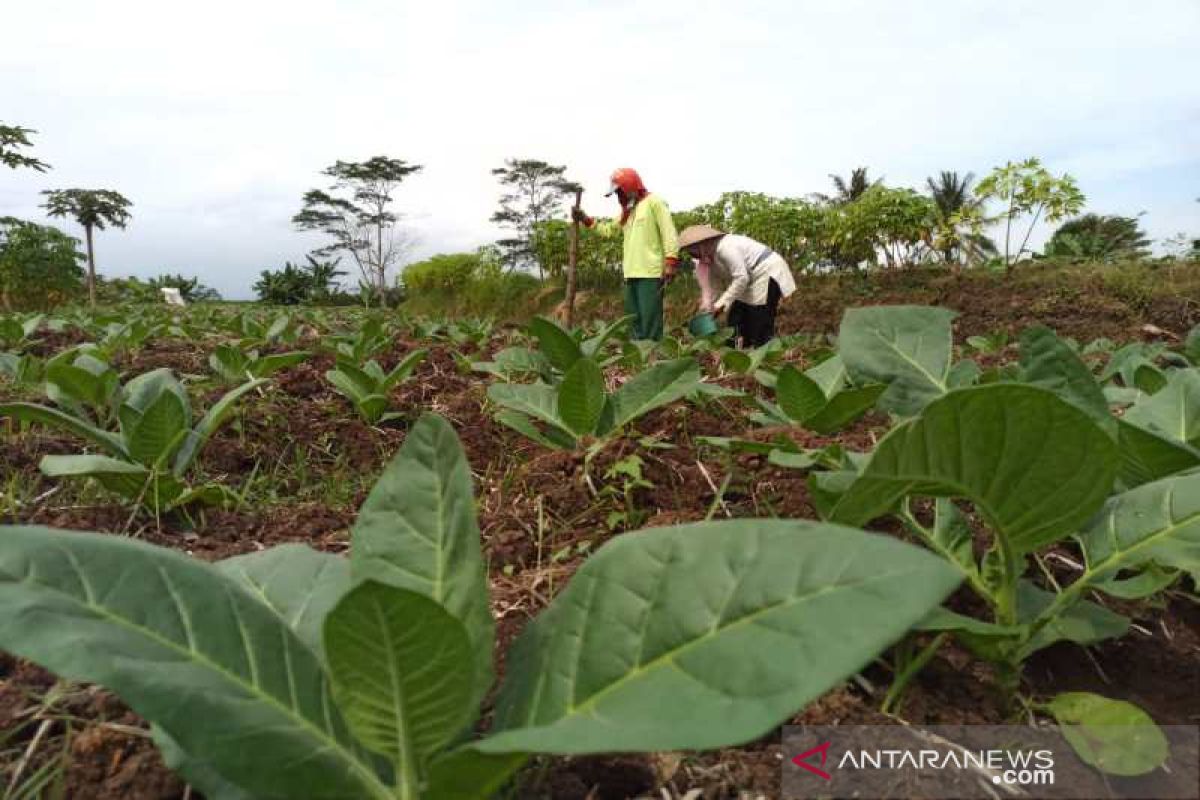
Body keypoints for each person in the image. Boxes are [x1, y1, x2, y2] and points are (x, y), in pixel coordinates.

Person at [573, 168, 679, 341]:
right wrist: (585, 219)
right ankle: (637, 359)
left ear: (629, 187)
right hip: (630, 273)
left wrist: (671, 262)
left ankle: (653, 359)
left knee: (650, 322)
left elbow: (669, 233)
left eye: (619, 192)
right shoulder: (627, 212)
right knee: (633, 322)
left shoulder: (654, 203)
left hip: (650, 274)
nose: (618, 197)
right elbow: (608, 231)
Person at [678, 224, 796, 348]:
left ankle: (763, 354)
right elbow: (714, 288)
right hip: (750, 280)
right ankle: (736, 353)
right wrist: (707, 309)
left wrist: (720, 304)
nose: (691, 254)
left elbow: (741, 278)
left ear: (702, 243)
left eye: (692, 250)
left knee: (760, 318)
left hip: (766, 272)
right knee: (736, 319)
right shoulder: (709, 258)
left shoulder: (725, 247)